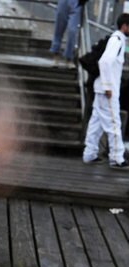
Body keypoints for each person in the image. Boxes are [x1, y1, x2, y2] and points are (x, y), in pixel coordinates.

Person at [83, 13, 129, 169]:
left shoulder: (115, 39)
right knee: (114, 123)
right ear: (125, 26)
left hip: (101, 88)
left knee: (96, 122)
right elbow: (105, 62)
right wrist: (108, 86)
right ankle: (117, 158)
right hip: (107, 90)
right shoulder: (117, 40)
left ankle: (90, 154)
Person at [50, 0, 87, 68]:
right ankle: (56, 56)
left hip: (76, 3)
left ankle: (68, 58)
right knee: (59, 29)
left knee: (72, 31)